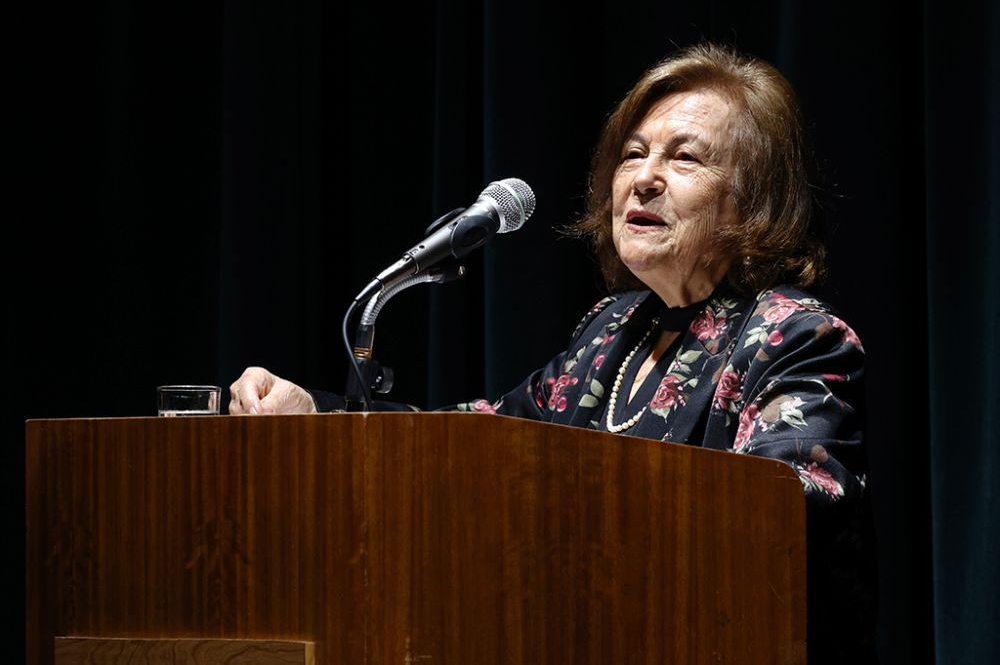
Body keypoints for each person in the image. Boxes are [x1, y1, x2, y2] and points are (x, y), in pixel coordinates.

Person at [230, 44, 877, 660]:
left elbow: (780, 516)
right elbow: (479, 441)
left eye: (684, 159)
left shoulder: (795, 338)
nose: (644, 179)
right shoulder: (611, 333)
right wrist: (313, 415)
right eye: (633, 153)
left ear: (754, 199)